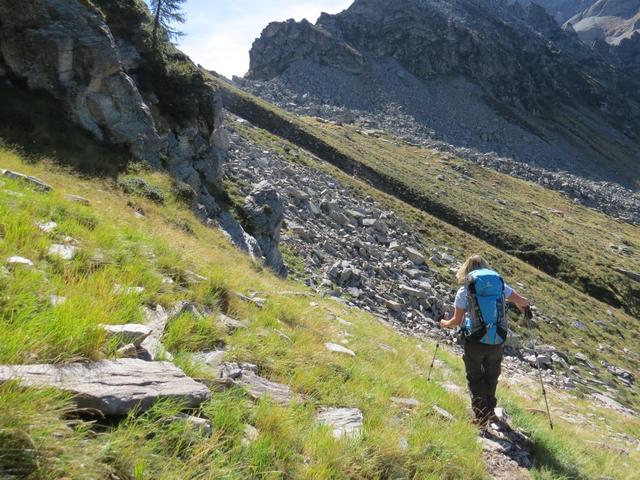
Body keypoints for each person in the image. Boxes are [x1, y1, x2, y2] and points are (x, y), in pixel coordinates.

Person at [440, 255, 530, 426]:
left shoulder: (464, 290)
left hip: (474, 339)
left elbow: (456, 321)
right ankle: (491, 411)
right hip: (497, 339)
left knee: (474, 377)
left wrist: (444, 323)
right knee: (491, 376)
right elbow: (524, 302)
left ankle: (481, 416)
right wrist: (523, 307)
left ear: (466, 270)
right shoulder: (500, 286)